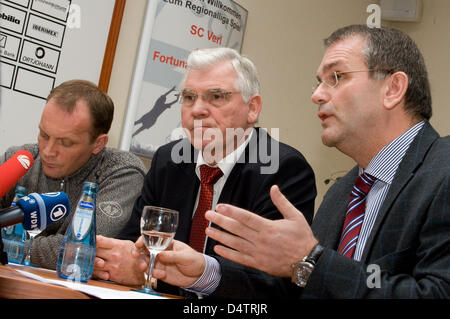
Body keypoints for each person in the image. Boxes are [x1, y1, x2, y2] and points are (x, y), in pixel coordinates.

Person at [192, 25, 450, 298]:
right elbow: (296, 291)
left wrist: (310, 260)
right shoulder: (340, 194)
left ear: (392, 88)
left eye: (336, 77)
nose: (316, 95)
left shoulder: (443, 170)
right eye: (319, 81)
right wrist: (201, 274)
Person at [93, 47, 317, 298]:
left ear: (252, 108)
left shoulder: (281, 168)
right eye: (189, 97)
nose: (197, 109)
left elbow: (274, 285)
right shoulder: (168, 160)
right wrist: (122, 260)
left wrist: (199, 275)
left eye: (216, 97)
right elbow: (134, 242)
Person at [0, 80, 147, 270]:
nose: (48, 151)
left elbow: (81, 247)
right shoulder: (20, 159)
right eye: (44, 134)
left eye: (65, 142)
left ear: (98, 144)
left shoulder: (122, 172)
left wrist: (8, 247)